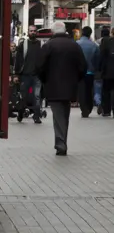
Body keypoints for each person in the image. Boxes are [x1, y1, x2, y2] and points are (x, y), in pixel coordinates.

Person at [37, 21, 86, 156]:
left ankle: (60, 143)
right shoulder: (74, 46)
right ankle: (62, 141)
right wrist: (76, 80)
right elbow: (83, 66)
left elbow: (40, 67)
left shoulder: (48, 46)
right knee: (64, 114)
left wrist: (45, 80)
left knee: (59, 115)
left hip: (53, 87)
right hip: (70, 87)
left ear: (53, 32)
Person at [14, 25, 43, 123]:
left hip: (37, 76)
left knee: (37, 96)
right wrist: (16, 75)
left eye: (34, 31)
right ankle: (21, 113)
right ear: (28, 32)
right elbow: (18, 60)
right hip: (25, 75)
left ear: (37, 32)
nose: (33, 32)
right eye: (31, 31)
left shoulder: (41, 44)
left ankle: (37, 116)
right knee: (24, 96)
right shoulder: (23, 44)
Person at [76, 26, 100, 118]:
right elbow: (97, 60)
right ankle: (89, 108)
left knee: (81, 91)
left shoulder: (76, 44)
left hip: (79, 72)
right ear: (90, 34)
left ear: (82, 33)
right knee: (89, 90)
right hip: (90, 72)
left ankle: (84, 109)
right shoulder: (94, 45)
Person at [99, 29, 114, 116]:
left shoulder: (106, 41)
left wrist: (100, 68)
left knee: (106, 91)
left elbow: (102, 56)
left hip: (108, 71)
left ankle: (107, 110)